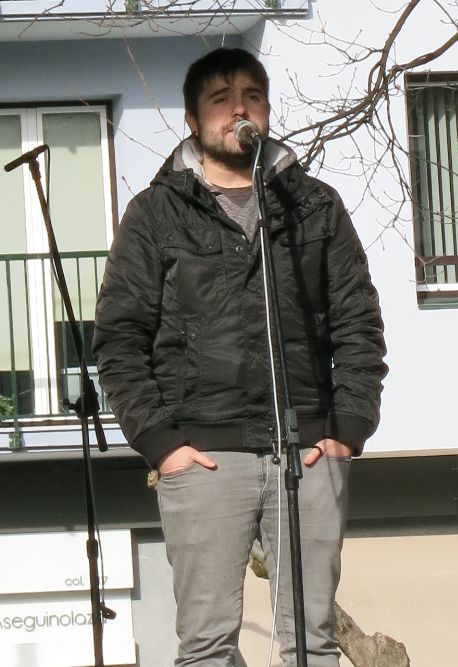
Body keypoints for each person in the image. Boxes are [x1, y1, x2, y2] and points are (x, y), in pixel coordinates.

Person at [93, 47, 387, 667]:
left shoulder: (314, 206)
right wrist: (162, 444)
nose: (239, 110)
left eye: (252, 96)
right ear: (192, 119)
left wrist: (346, 429)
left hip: (307, 449)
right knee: (206, 646)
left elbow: (358, 324)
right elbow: (119, 339)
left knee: (312, 643)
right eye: (221, 100)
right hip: (202, 454)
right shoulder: (155, 213)